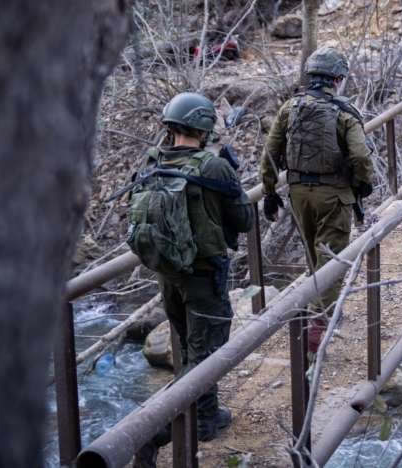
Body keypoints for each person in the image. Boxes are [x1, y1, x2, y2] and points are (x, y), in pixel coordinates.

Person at [132, 92, 255, 468]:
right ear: (203, 128)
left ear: (170, 126)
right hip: (205, 278)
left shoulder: (151, 162)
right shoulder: (212, 167)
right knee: (204, 361)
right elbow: (245, 222)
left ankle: (205, 418)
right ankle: (149, 433)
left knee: (192, 351)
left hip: (167, 275)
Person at [259, 47, 374, 360]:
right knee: (332, 260)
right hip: (334, 195)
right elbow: (361, 156)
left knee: (314, 252)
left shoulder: (290, 107)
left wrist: (270, 192)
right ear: (337, 79)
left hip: (298, 193)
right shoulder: (344, 111)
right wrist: (363, 184)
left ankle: (319, 313)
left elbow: (270, 151)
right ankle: (316, 332)